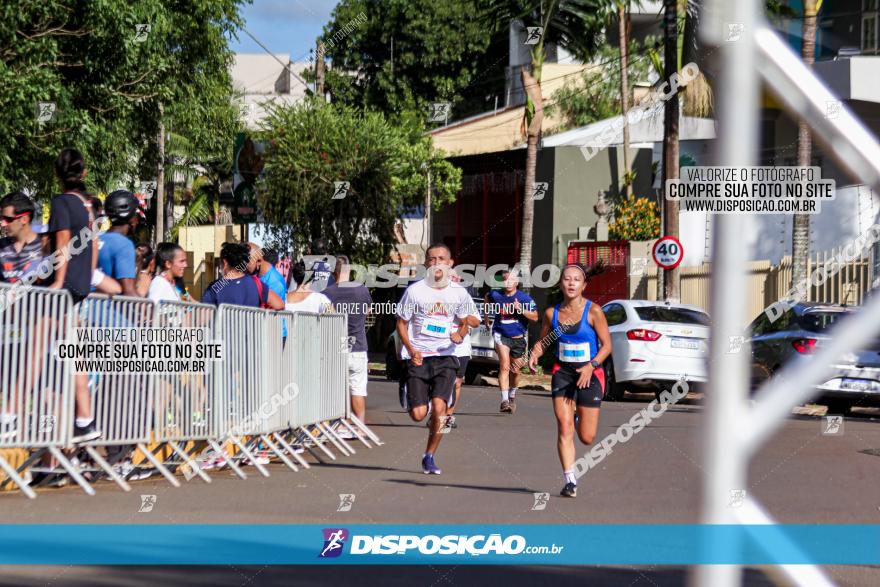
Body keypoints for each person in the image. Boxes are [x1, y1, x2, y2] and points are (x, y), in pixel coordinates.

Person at [528, 263, 612, 498]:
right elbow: (543, 342)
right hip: (563, 373)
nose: (571, 283)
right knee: (563, 427)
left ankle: (577, 416)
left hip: (590, 374)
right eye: (567, 279)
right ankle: (570, 480)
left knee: (586, 437)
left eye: (576, 279)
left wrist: (591, 366)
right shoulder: (551, 314)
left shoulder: (593, 311)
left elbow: (607, 346)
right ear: (561, 283)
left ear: (584, 285)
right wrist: (535, 353)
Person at [396, 244, 479, 475]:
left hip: (446, 356)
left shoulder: (458, 293)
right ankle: (408, 388)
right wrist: (410, 348)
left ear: (450, 263)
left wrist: (460, 334)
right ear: (426, 264)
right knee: (418, 414)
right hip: (419, 357)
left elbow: (469, 319)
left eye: (441, 259)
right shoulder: (415, 291)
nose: (436, 263)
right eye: (431, 259)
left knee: (441, 409)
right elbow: (401, 323)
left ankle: (429, 455)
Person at [46, 148, 101, 443]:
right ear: (84, 174)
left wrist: (58, 280)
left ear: (58, 174)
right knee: (75, 354)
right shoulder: (88, 205)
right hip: (81, 288)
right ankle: (85, 419)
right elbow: (92, 246)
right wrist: (87, 279)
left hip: (65, 290)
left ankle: (14, 414)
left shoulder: (62, 203)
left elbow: (63, 242)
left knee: (36, 355)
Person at [322, 255, 372, 428]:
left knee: (336, 389)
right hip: (358, 345)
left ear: (333, 273)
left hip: (335, 346)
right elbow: (367, 312)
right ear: (349, 270)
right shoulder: (362, 290)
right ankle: (360, 428)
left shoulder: (326, 294)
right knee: (357, 389)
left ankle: (338, 425)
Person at [486, 268, 538, 414]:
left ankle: (512, 395)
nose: (508, 283)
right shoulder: (496, 295)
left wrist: (520, 309)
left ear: (517, 282)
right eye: (505, 280)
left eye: (511, 280)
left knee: (515, 371)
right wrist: (486, 318)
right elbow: (487, 297)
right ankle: (504, 401)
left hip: (518, 338)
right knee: (504, 366)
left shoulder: (525, 299)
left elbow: (535, 317)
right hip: (500, 334)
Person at [444, 269, 481, 430]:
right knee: (441, 382)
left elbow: (476, 321)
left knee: (457, 382)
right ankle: (438, 412)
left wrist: (462, 316)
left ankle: (448, 416)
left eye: (456, 277)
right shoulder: (435, 296)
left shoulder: (465, 299)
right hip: (439, 347)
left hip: (460, 349)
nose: (455, 279)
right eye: (451, 277)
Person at [202, 242, 284, 309]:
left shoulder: (217, 286)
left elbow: (202, 316)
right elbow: (279, 304)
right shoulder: (256, 283)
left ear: (225, 263)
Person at [97, 190, 140, 297]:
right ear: (131, 218)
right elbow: (129, 291)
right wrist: (151, 311)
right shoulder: (124, 245)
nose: (137, 219)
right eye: (135, 214)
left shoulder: (96, 240)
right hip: (109, 311)